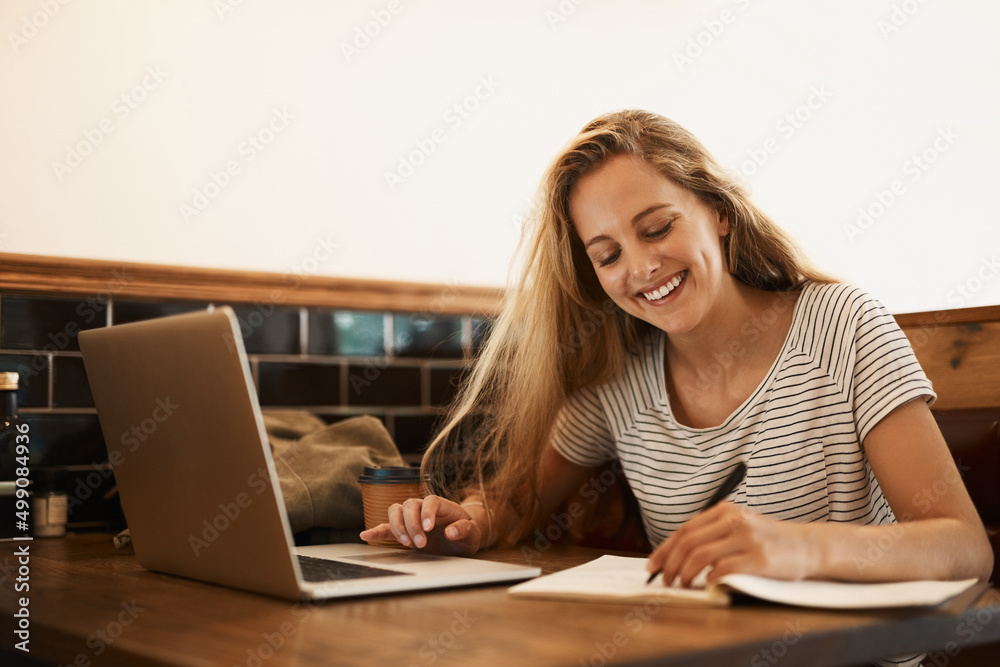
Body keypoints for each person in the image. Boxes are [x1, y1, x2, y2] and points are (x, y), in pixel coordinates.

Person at [360, 109, 992, 592]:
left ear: (717, 211)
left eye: (657, 228)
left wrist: (797, 548)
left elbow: (965, 547)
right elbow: (516, 503)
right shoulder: (620, 374)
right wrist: (470, 520)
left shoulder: (841, 326)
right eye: (608, 255)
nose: (641, 267)